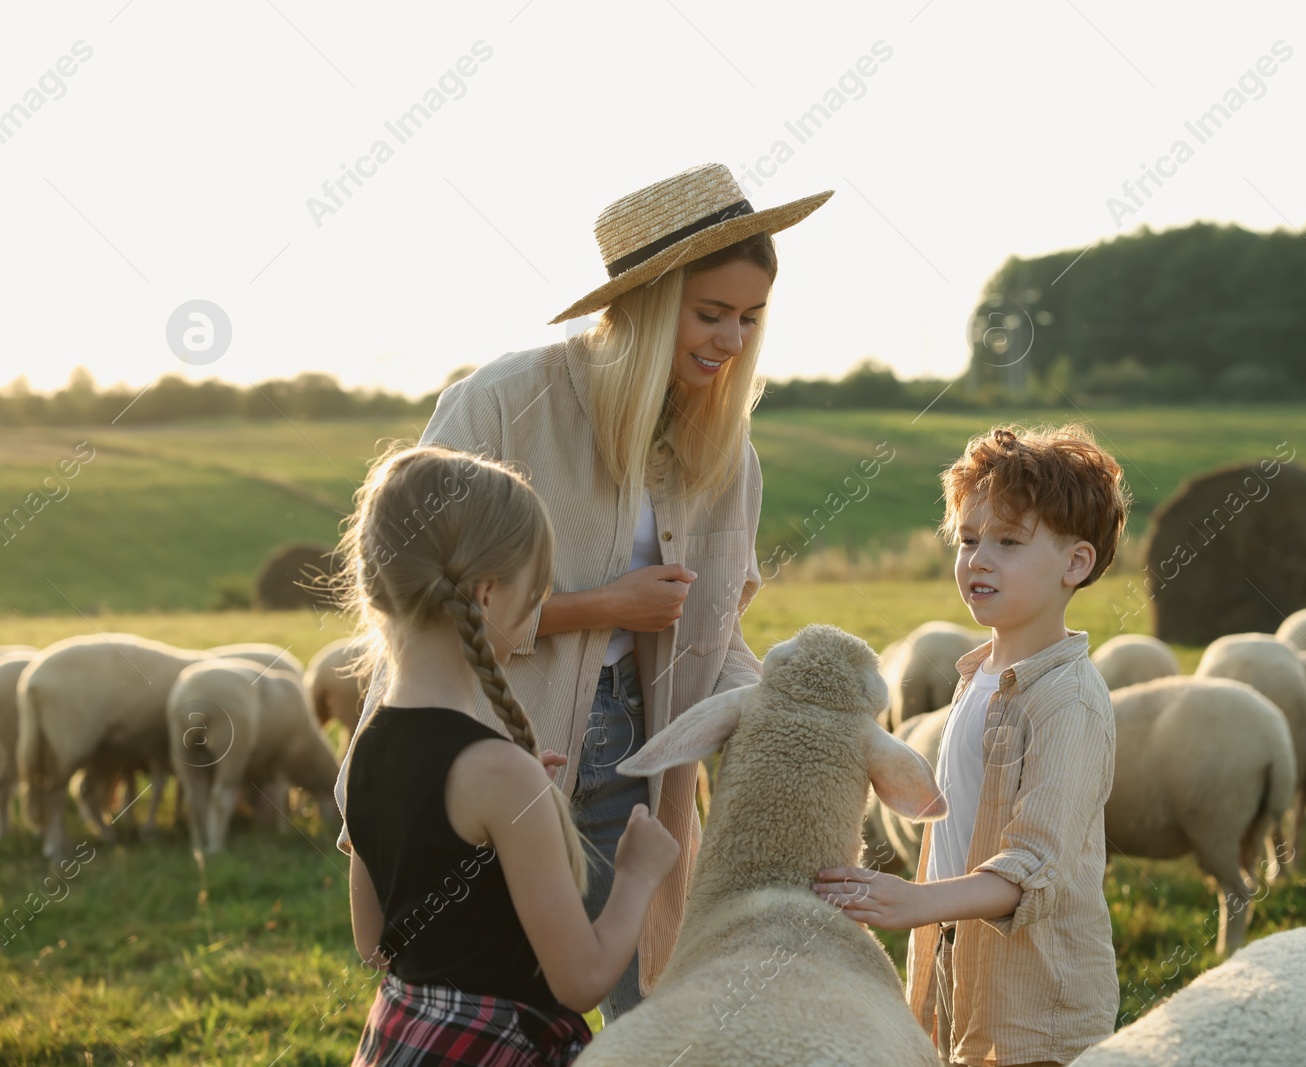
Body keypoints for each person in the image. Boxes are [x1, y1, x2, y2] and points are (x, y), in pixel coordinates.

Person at [331, 162, 834, 1021]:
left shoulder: (726, 449)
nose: (731, 341)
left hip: (644, 763)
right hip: (497, 758)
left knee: (659, 1017)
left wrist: (778, 714)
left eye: (750, 319)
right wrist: (604, 607)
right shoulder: (498, 406)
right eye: (709, 314)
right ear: (640, 304)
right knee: (495, 1000)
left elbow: (715, 632)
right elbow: (424, 601)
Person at [337, 445, 682, 1065]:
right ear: (487, 594)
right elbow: (581, 980)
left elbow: (374, 943)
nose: (538, 606)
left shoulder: (368, 746)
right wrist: (637, 874)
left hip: (404, 1038)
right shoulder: (499, 774)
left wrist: (516, 813)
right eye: (536, 589)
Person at [811, 424, 1131, 1066]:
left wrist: (920, 900)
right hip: (963, 979)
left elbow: (1034, 865)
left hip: (1037, 1013)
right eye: (967, 539)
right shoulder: (978, 676)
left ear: (1076, 563)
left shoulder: (1067, 701)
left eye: (1008, 542)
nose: (978, 559)